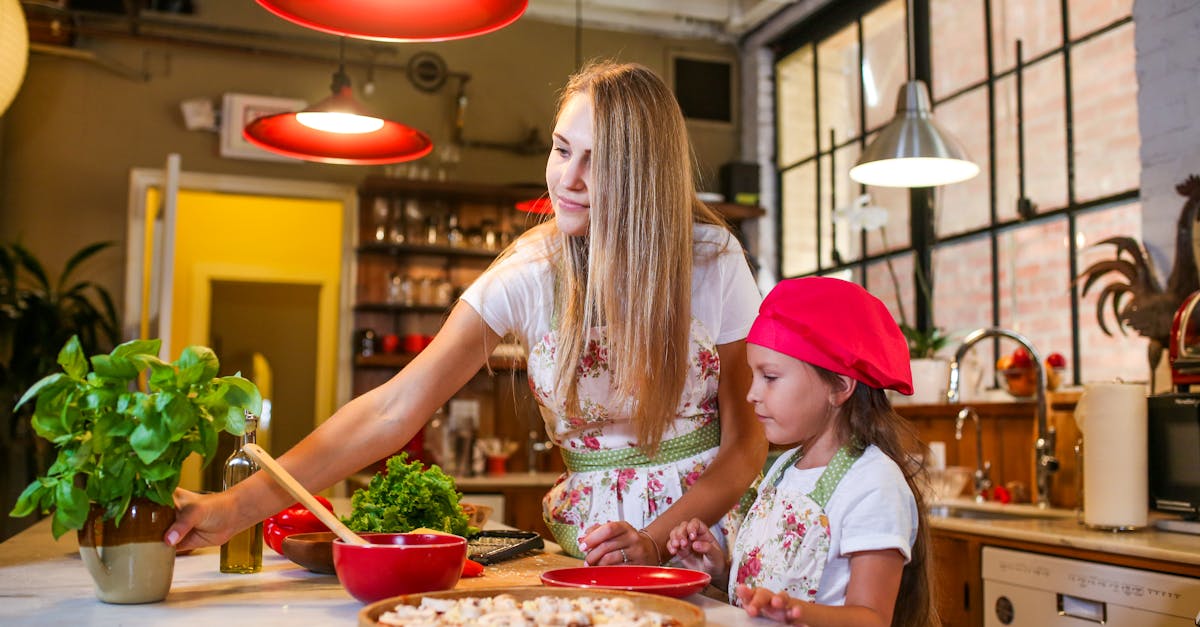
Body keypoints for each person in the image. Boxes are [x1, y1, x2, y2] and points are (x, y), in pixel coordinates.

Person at [164, 61, 767, 568]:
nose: (569, 180)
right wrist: (234, 507)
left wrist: (657, 539)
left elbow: (745, 446)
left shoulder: (711, 260)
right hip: (591, 542)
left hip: (704, 534)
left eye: (598, 161)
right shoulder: (531, 270)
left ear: (644, 172)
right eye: (561, 150)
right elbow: (393, 407)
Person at [666, 277, 938, 627]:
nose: (751, 394)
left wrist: (796, 613)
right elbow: (775, 585)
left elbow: (872, 618)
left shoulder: (874, 483)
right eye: (753, 375)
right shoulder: (785, 468)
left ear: (839, 386)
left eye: (771, 377)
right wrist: (721, 571)